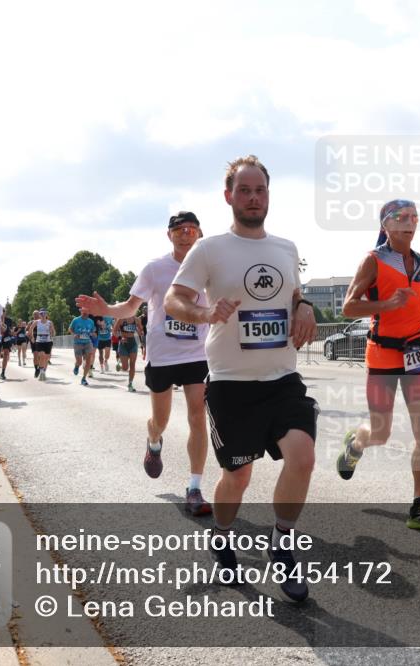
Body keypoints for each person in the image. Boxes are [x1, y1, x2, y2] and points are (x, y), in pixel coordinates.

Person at [165, 155, 318, 602]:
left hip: (282, 378)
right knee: (238, 477)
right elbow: (176, 299)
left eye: (261, 190)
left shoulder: (286, 248)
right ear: (229, 195)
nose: (254, 198)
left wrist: (304, 305)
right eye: (245, 190)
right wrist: (204, 312)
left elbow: (292, 293)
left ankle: (283, 544)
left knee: (303, 457)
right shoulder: (209, 249)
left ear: (268, 195)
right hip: (231, 383)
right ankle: (223, 533)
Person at [77, 211, 214, 516]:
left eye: (191, 229)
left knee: (197, 417)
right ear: (169, 235)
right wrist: (105, 309)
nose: (185, 233)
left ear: (200, 234)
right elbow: (129, 307)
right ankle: (153, 440)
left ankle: (195, 487)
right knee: (161, 420)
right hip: (162, 356)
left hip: (196, 354)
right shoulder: (155, 269)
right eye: (178, 229)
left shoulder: (210, 269)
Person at [337, 199, 420, 531]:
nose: (409, 222)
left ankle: (419, 506)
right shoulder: (373, 261)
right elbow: (348, 307)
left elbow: (418, 301)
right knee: (381, 432)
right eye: (401, 217)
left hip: (416, 353)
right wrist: (386, 304)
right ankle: (356, 444)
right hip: (383, 355)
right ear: (385, 225)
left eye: (414, 217)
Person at [69, 308, 97, 386]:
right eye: (83, 312)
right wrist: (74, 334)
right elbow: (70, 329)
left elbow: (92, 331)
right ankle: (77, 366)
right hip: (78, 343)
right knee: (79, 361)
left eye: (86, 312)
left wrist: (93, 334)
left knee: (88, 361)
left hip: (87, 342)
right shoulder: (76, 320)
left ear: (88, 312)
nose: (85, 313)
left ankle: (84, 378)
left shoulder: (91, 321)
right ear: (81, 312)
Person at [28, 310, 56, 381]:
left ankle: (43, 371)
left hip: (48, 341)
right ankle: (41, 372)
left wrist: (51, 331)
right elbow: (30, 329)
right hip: (39, 341)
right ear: (39, 315)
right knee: (42, 355)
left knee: (46, 358)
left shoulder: (50, 322)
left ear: (46, 314)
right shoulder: (36, 322)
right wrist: (32, 337)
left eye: (44, 313)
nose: (43, 315)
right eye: (41, 314)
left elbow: (54, 332)